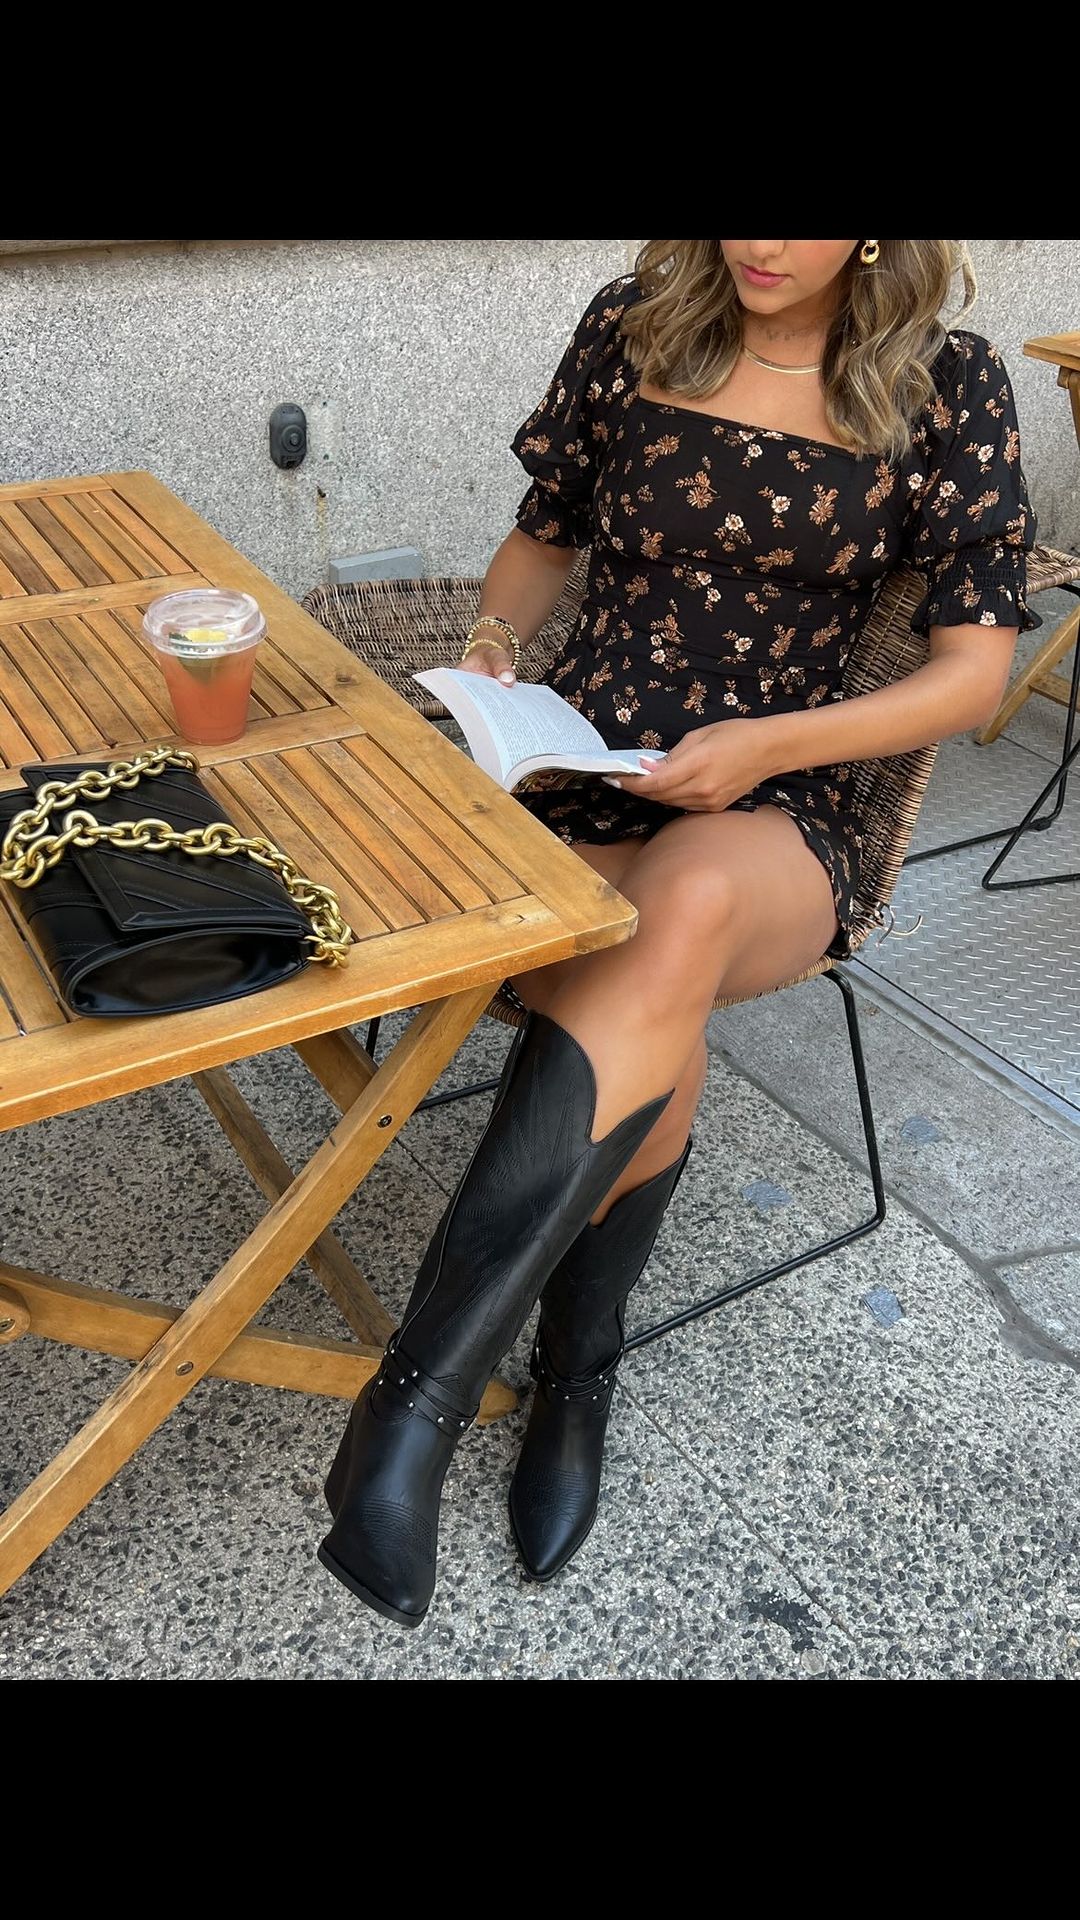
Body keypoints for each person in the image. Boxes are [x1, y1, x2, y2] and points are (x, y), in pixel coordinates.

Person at [319, 239, 1038, 1628]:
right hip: (586, 760)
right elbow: (546, 534)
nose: (757, 244)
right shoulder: (637, 323)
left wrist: (769, 742)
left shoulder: (946, 381)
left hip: (782, 794)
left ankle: (410, 1411)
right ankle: (576, 1373)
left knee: (683, 909)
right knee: (653, 978)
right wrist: (495, 641)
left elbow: (972, 677)